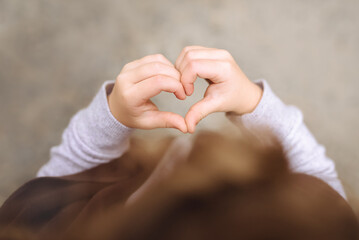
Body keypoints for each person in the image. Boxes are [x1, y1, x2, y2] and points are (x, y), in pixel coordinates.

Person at [0, 46, 358, 240]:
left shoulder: (52, 228)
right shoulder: (320, 226)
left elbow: (49, 198)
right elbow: (319, 180)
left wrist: (109, 119)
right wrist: (252, 101)